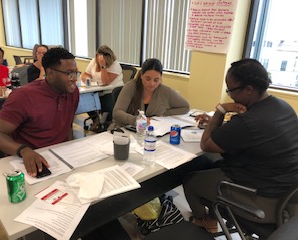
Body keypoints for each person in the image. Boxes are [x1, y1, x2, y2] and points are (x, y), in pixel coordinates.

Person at [182, 59, 298, 233]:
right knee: (215, 166)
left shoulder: (249, 122)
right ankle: (214, 216)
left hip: (266, 202)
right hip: (288, 194)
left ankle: (205, 221)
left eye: (230, 90)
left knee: (190, 180)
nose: (230, 95)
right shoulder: (282, 106)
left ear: (249, 90)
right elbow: (251, 137)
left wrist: (221, 110)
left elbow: (206, 144)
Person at [0, 47, 80, 177]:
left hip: (58, 158)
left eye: (76, 73)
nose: (74, 79)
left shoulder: (72, 92)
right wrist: (23, 150)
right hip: (27, 159)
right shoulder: (23, 96)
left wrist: (70, 147)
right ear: (50, 73)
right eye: (69, 73)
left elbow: (67, 125)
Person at [113, 58, 190, 127]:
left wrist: (164, 114)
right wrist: (136, 120)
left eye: (156, 80)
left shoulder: (165, 91)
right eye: (148, 79)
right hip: (125, 130)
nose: (152, 83)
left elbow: (185, 107)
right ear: (141, 75)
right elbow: (117, 113)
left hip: (152, 132)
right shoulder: (131, 87)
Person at [81, 45, 123, 129]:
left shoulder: (115, 65)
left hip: (111, 91)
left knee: (106, 103)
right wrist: (87, 79)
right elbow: (85, 74)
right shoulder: (94, 61)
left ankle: (106, 125)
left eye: (101, 57)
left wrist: (102, 66)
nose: (98, 59)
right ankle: (96, 120)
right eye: (97, 56)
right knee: (86, 100)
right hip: (97, 90)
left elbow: (105, 81)